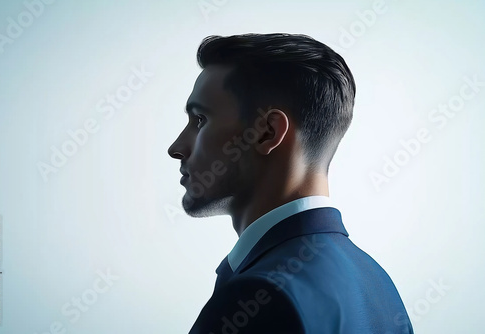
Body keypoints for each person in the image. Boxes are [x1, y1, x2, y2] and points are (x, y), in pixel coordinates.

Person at [167, 33, 413, 334]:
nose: (176, 147)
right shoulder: (377, 284)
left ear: (267, 132)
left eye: (200, 120)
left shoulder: (258, 296)